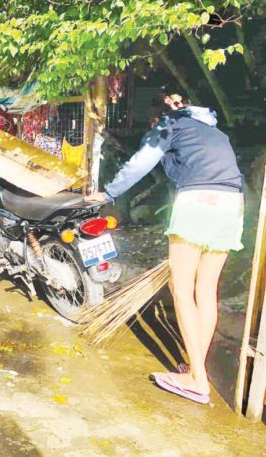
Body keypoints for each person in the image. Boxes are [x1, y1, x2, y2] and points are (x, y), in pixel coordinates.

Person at [86, 94, 244, 405]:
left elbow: (141, 163)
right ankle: (196, 365)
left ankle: (197, 380)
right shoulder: (213, 130)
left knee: (180, 288)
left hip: (197, 200)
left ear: (156, 118)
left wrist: (108, 193)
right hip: (232, 202)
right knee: (207, 289)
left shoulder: (169, 125)